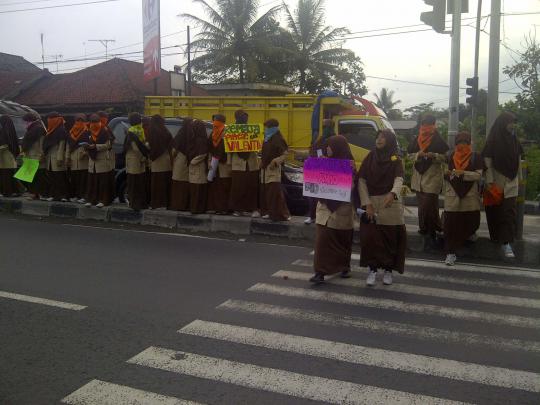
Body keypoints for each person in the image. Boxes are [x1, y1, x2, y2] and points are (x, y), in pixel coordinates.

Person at [358, 129, 406, 286]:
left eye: (383, 138)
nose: (379, 140)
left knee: (390, 238)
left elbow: (399, 179)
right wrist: (367, 203)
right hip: (372, 201)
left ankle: (388, 270)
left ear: (390, 140)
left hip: (390, 203)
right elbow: (361, 181)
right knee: (370, 238)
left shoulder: (396, 159)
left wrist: (393, 193)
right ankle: (372, 269)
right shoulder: (370, 157)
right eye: (377, 137)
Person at [310, 135, 355, 284]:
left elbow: (354, 188)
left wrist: (350, 173)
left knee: (342, 241)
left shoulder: (349, 164)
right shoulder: (323, 162)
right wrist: (317, 167)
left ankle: (344, 267)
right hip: (324, 208)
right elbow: (313, 184)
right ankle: (320, 272)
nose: (327, 149)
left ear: (338, 148)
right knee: (322, 240)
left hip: (342, 209)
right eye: (327, 146)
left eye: (330, 146)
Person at [482, 111, 524, 258]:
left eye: (514, 122)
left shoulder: (514, 140)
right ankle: (495, 238)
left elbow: (518, 161)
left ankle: (506, 243)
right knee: (495, 212)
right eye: (510, 122)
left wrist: (519, 180)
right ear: (503, 123)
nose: (513, 125)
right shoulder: (493, 140)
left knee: (509, 213)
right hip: (496, 183)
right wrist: (489, 182)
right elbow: (487, 163)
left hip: (511, 183)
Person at [407, 114, 449, 249]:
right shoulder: (416, 140)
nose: (426, 127)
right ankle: (426, 228)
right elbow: (409, 155)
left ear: (434, 125)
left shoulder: (438, 140)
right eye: (424, 124)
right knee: (425, 206)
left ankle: (432, 231)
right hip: (418, 176)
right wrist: (418, 155)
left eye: (429, 124)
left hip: (432, 176)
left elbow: (445, 157)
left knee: (428, 204)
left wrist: (434, 155)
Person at [443, 131, 484, 266]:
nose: (462, 146)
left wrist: (462, 173)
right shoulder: (450, 156)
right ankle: (450, 253)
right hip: (452, 194)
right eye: (459, 143)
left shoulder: (475, 157)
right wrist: (448, 173)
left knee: (471, 221)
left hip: (469, 196)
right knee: (450, 224)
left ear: (469, 143)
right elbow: (442, 171)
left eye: (465, 143)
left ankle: (465, 239)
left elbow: (478, 175)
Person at [228, 110, 260, 217]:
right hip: (238, 164)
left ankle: (252, 209)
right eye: (242, 117)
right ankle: (238, 209)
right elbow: (229, 150)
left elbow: (257, 146)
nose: (245, 119)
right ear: (237, 118)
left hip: (251, 164)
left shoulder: (252, 130)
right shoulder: (231, 130)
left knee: (252, 187)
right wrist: (229, 163)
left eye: (246, 117)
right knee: (238, 187)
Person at [304, 118, 335, 224]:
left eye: (326, 126)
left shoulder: (334, 139)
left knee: (324, 197)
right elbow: (314, 151)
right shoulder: (320, 138)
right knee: (313, 195)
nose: (324, 128)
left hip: (328, 172)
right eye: (323, 126)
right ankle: (312, 216)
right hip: (315, 169)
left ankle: (323, 217)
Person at [259, 119, 290, 221]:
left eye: (267, 127)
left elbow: (285, 154)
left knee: (274, 192)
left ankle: (279, 214)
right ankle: (268, 212)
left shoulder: (278, 138)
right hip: (265, 169)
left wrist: (276, 161)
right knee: (266, 191)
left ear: (272, 127)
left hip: (273, 169)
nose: (266, 129)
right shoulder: (267, 138)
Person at [85, 114, 114, 208]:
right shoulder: (89, 132)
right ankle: (91, 200)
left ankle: (103, 200)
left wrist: (96, 146)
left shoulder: (104, 132)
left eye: (96, 122)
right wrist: (86, 147)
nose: (93, 125)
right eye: (92, 122)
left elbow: (108, 145)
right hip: (92, 160)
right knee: (92, 182)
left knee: (102, 182)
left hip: (102, 159)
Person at [207, 114, 232, 214]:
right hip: (214, 165)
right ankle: (217, 208)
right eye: (214, 121)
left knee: (224, 187)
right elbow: (209, 149)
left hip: (224, 165)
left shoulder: (227, 132)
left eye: (217, 121)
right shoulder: (213, 133)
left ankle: (224, 209)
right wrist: (209, 161)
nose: (215, 123)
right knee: (216, 187)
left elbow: (230, 148)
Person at [124, 112, 149, 211]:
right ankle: (142, 203)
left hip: (134, 160)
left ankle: (134, 204)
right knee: (140, 183)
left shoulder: (131, 131)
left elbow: (134, 147)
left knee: (133, 183)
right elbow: (144, 144)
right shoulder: (141, 129)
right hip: (141, 160)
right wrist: (144, 156)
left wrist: (140, 157)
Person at [147, 114, 172, 210]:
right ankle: (165, 203)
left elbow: (153, 145)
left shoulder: (153, 131)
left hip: (157, 161)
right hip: (167, 160)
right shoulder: (165, 130)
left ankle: (157, 204)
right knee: (165, 183)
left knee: (157, 183)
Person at [21, 113, 48, 200]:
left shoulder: (39, 129)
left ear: (30, 120)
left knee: (38, 177)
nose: (25, 123)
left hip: (37, 156)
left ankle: (40, 194)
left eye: (26, 121)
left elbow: (42, 143)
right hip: (30, 156)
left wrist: (42, 155)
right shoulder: (30, 129)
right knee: (30, 177)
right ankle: (34, 193)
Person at [43, 112, 69, 201]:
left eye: (50, 119)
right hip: (49, 158)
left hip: (57, 157)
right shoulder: (50, 130)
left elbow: (62, 146)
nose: (48, 121)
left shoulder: (61, 130)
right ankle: (53, 195)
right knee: (52, 177)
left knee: (60, 177)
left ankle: (63, 195)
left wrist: (60, 158)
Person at [66, 114, 90, 203]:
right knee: (74, 178)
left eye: (81, 120)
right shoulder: (71, 132)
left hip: (83, 159)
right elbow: (68, 146)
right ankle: (76, 195)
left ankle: (84, 196)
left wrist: (86, 153)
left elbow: (91, 144)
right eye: (77, 120)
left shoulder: (88, 131)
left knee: (83, 179)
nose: (79, 122)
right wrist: (67, 157)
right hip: (73, 158)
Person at [170, 117, 192, 211]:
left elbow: (173, 151)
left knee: (178, 185)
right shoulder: (192, 134)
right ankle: (185, 205)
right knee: (185, 185)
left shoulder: (180, 134)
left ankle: (177, 205)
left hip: (179, 162)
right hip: (189, 163)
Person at [188, 119, 209, 214]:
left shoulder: (201, 140)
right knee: (195, 189)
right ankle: (195, 208)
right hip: (195, 167)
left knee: (197, 189)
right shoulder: (196, 138)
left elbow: (203, 154)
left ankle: (197, 209)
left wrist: (193, 162)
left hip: (198, 166)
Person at [0, 115, 21, 197]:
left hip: (6, 158)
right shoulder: (10, 131)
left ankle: (7, 192)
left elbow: (5, 145)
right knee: (9, 176)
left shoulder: (5, 131)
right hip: (9, 157)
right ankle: (13, 191)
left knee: (6, 176)